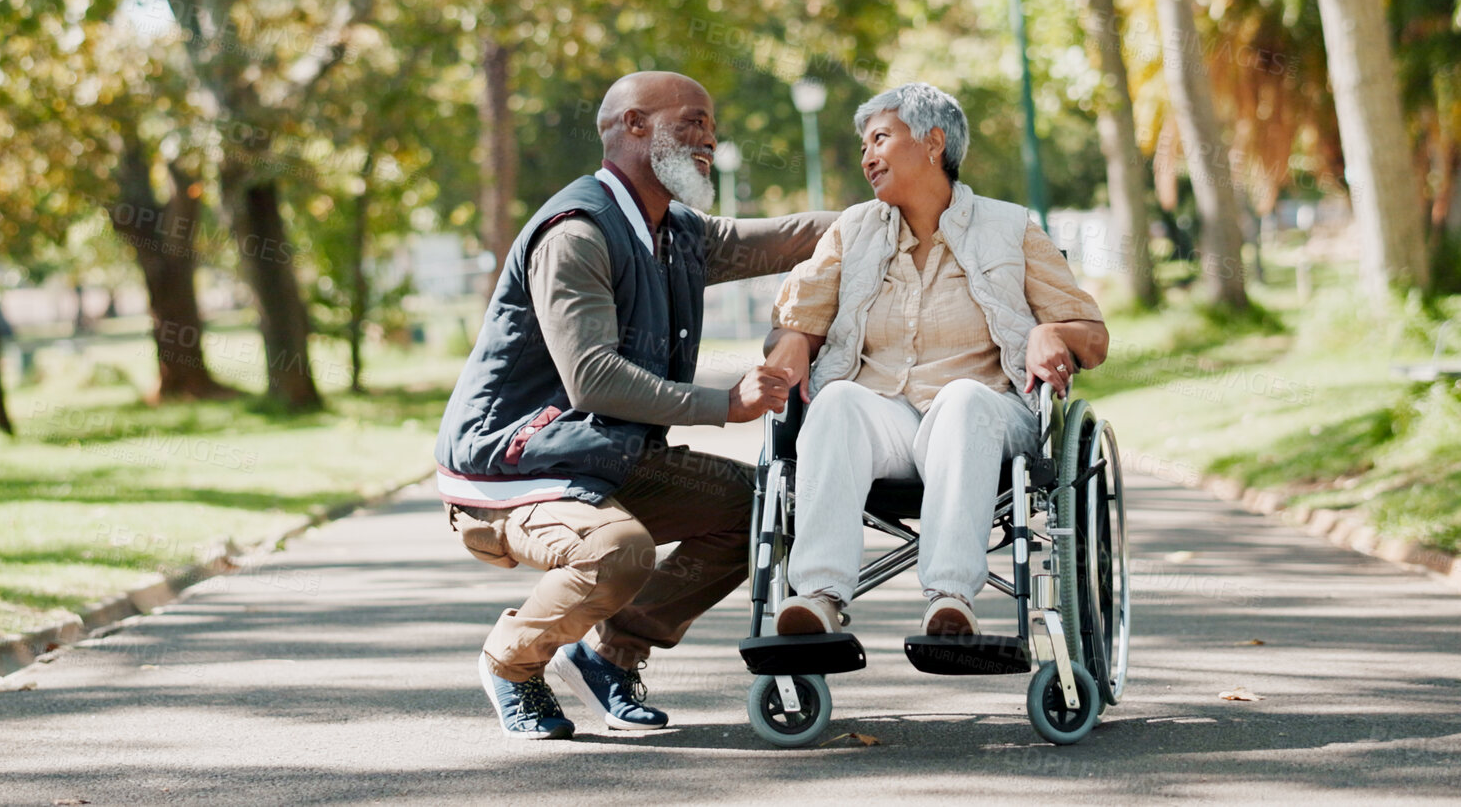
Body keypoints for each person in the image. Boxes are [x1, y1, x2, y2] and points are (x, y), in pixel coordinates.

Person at [434, 71, 835, 739]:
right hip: (515, 465)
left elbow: (794, 235)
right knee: (620, 551)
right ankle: (512, 662)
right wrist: (720, 402)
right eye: (692, 122)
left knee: (759, 505)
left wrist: (907, 208)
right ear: (632, 126)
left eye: (709, 123)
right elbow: (591, 377)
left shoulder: (675, 229)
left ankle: (608, 656)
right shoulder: (577, 233)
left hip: (599, 456)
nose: (709, 137)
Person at [761, 82, 1109, 639]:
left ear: (933, 143)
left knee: (963, 397)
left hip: (986, 415)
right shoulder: (852, 231)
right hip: (890, 419)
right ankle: (818, 597)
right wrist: (794, 343)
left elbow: (1093, 337)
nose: (867, 156)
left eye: (880, 138)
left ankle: (950, 596)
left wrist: (1051, 331)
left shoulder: (1010, 227)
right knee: (839, 400)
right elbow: (796, 319)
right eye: (863, 145)